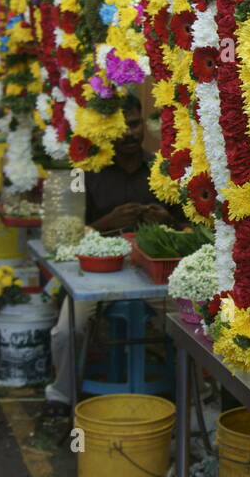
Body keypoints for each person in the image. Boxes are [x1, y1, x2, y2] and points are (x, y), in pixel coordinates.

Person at [44, 94, 182, 409]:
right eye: (120, 127)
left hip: (153, 275)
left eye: (134, 124)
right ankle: (62, 395)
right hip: (93, 274)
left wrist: (166, 219)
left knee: (188, 326)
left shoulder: (162, 169)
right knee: (68, 330)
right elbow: (64, 234)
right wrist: (107, 222)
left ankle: (196, 398)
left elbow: (186, 226)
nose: (129, 133)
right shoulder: (85, 172)